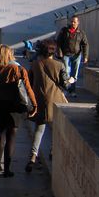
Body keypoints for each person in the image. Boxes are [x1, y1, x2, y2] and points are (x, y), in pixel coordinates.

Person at [0, 45, 37, 177]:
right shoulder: (19, 69)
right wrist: (34, 104)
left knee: (1, 133)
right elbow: (28, 88)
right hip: (15, 106)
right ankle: (7, 169)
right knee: (12, 136)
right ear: (11, 55)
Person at [27, 39, 68, 172]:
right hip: (55, 101)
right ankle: (52, 150)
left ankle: (33, 156)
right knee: (56, 128)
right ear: (53, 51)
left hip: (39, 100)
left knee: (39, 130)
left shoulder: (35, 64)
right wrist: (72, 80)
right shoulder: (59, 65)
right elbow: (65, 84)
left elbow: (30, 82)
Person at [56, 15, 88, 96]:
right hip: (66, 55)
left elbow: (85, 44)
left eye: (74, 22)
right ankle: (66, 89)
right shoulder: (64, 31)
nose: (73, 23)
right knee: (66, 72)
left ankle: (72, 90)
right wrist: (60, 53)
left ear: (78, 23)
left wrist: (85, 56)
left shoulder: (81, 33)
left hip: (76, 55)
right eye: (72, 21)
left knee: (74, 74)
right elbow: (58, 42)